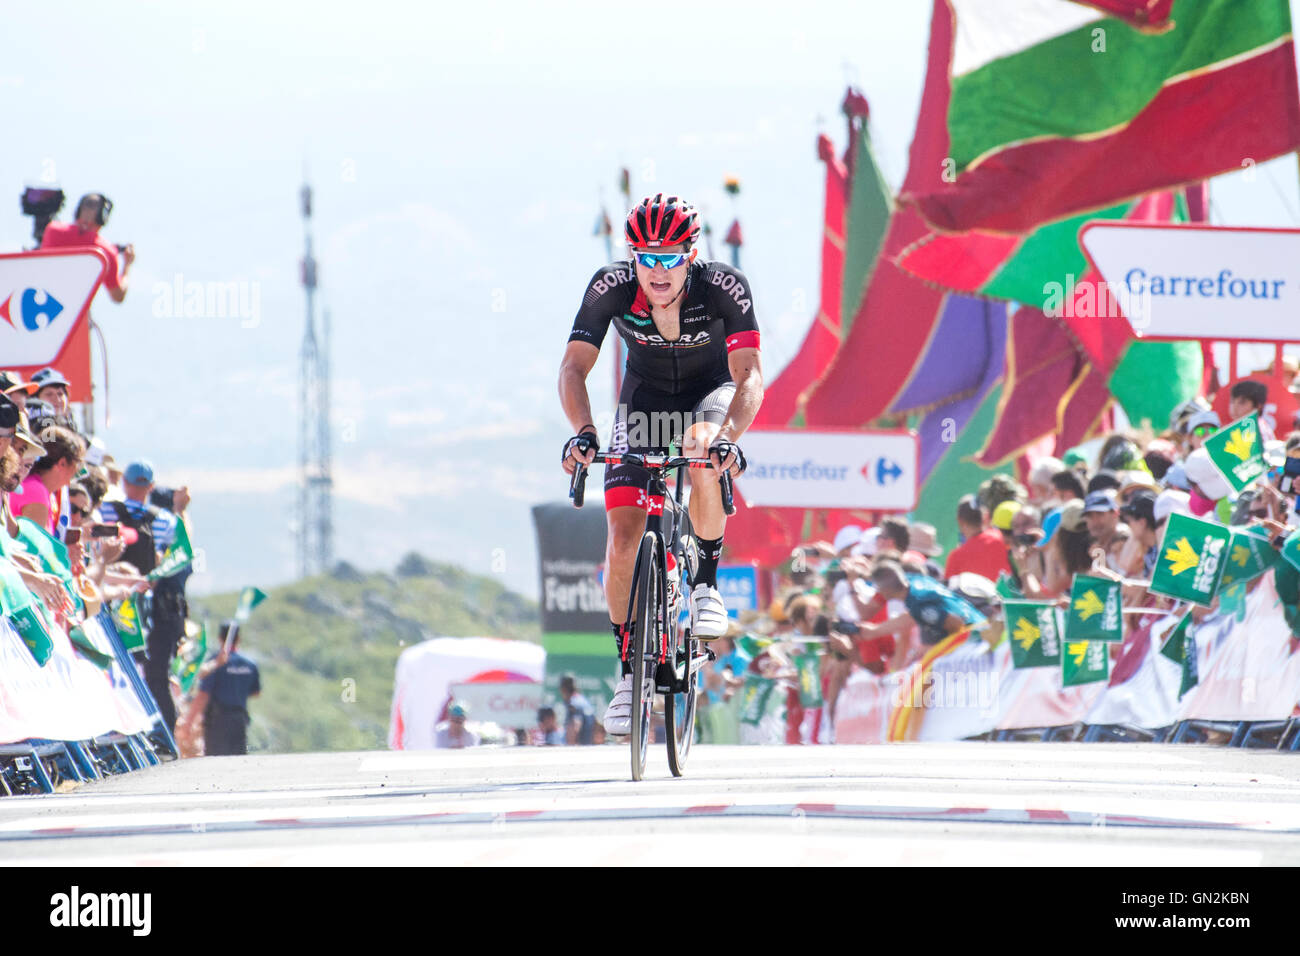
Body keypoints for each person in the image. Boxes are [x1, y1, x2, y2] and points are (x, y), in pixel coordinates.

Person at [558, 194, 764, 735]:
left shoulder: (723, 287)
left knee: (701, 448)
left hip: (709, 394)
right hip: (644, 399)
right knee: (623, 539)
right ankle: (630, 675)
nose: (657, 270)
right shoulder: (612, 286)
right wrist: (583, 432)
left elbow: (749, 377)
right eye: (646, 258)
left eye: (670, 257)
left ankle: (706, 585)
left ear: (690, 254)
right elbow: (574, 368)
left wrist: (729, 439)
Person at [98, 460, 187, 736]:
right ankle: (149, 732)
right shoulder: (165, 520)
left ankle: (119, 729)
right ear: (151, 486)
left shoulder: (106, 510)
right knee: (143, 667)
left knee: (112, 664)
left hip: (109, 596)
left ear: (124, 482)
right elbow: (168, 558)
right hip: (143, 602)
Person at [39, 193, 135, 303]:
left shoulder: (52, 230)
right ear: (103, 217)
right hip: (75, 313)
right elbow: (118, 296)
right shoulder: (106, 252)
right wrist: (127, 264)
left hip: (43, 300)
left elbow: (76, 241)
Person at [183, 622, 261, 756]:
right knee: (239, 761)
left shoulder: (216, 662)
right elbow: (256, 692)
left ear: (220, 638)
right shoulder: (250, 664)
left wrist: (188, 722)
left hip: (217, 722)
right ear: (238, 638)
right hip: (239, 719)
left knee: (217, 763)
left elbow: (203, 695)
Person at [944, 494, 1011, 581]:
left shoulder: (956, 556)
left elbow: (949, 590)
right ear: (984, 517)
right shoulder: (1004, 540)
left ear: (959, 521)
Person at [558, 674, 595, 745]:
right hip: (588, 746)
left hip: (579, 749)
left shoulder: (573, 704)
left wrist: (570, 750)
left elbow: (575, 728)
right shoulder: (583, 700)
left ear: (563, 689)